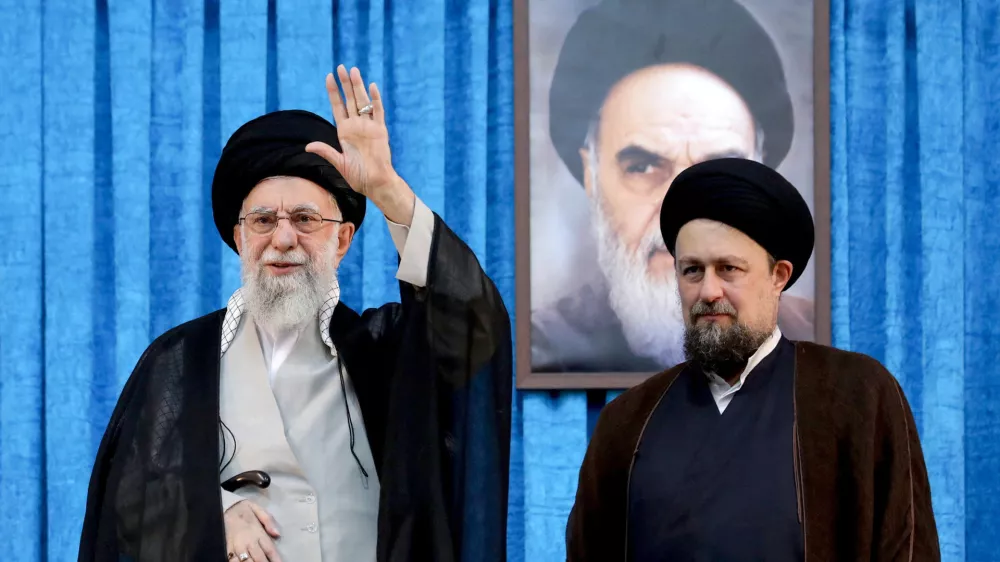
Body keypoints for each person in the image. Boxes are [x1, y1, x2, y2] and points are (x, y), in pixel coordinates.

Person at [78, 65, 511, 562]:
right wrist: (214, 509)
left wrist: (389, 191)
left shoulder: (384, 349)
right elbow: (129, 500)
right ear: (240, 238)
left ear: (342, 240)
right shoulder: (179, 359)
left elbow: (475, 324)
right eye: (263, 221)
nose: (283, 239)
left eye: (305, 219)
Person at [565, 159, 939, 560]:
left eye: (728, 269)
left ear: (778, 275)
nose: (708, 290)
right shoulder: (626, 423)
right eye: (692, 271)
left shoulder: (857, 395)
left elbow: (906, 546)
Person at [532, 0, 814, 373]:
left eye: (720, 169)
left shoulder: (814, 346)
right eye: (644, 166)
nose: (683, 213)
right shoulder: (541, 349)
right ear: (592, 174)